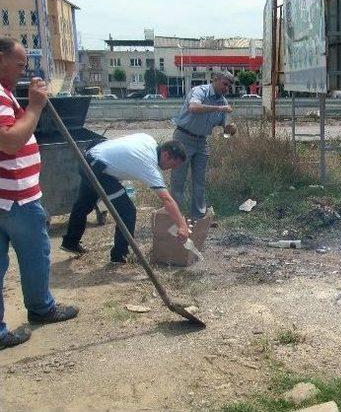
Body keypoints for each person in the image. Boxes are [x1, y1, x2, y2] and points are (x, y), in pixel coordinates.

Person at [0, 37, 78, 350]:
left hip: (8, 195)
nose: (22, 70)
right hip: (16, 199)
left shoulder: (5, 94)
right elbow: (9, 142)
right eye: (19, 64)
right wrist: (34, 106)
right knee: (36, 258)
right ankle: (41, 308)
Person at [61, 134, 191, 263]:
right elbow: (167, 199)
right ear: (166, 155)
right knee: (127, 212)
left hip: (88, 158)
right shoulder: (148, 164)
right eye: (173, 165)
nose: (171, 169)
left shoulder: (149, 139)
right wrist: (181, 226)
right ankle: (120, 256)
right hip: (98, 170)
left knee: (84, 204)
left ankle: (70, 242)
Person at [171, 70, 235, 219]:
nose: (226, 88)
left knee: (199, 181)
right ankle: (174, 218)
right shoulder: (200, 91)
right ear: (215, 79)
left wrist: (232, 128)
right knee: (178, 180)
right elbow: (193, 108)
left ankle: (198, 217)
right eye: (225, 84)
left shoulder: (223, 102)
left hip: (202, 142)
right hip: (183, 138)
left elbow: (226, 127)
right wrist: (219, 108)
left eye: (229, 86)